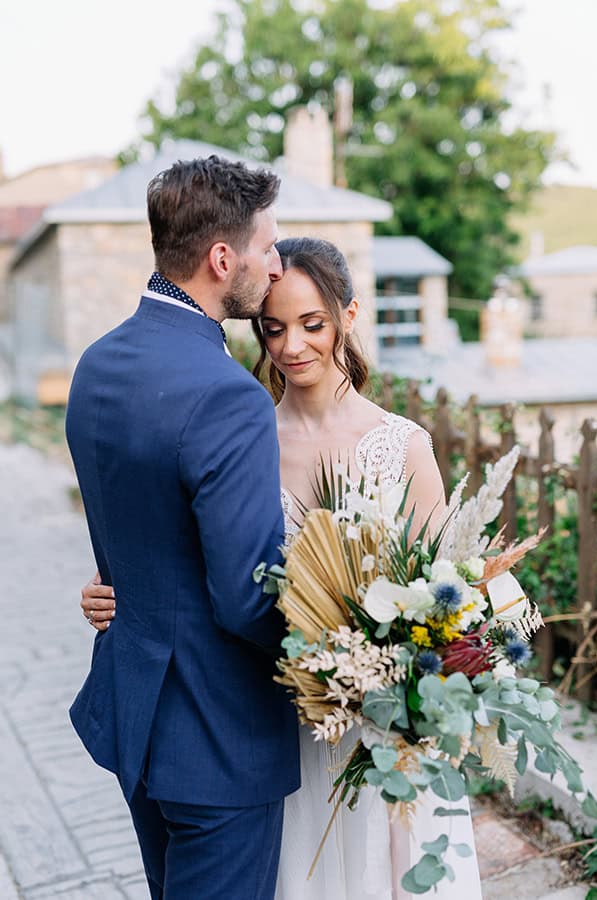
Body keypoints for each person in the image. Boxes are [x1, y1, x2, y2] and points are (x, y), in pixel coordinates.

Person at [81, 237, 482, 898]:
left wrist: (403, 669)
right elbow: (182, 563)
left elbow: (450, 597)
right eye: (274, 328)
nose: (292, 345)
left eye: (311, 324)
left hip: (384, 729)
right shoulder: (242, 440)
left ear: (349, 315)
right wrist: (110, 593)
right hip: (278, 723)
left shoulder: (403, 447)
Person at [66, 155, 300, 900]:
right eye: (266, 247)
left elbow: (132, 524)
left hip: (136, 722)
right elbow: (247, 597)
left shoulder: (95, 366)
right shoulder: (227, 397)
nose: (276, 264)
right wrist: (347, 651)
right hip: (219, 739)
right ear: (220, 257)